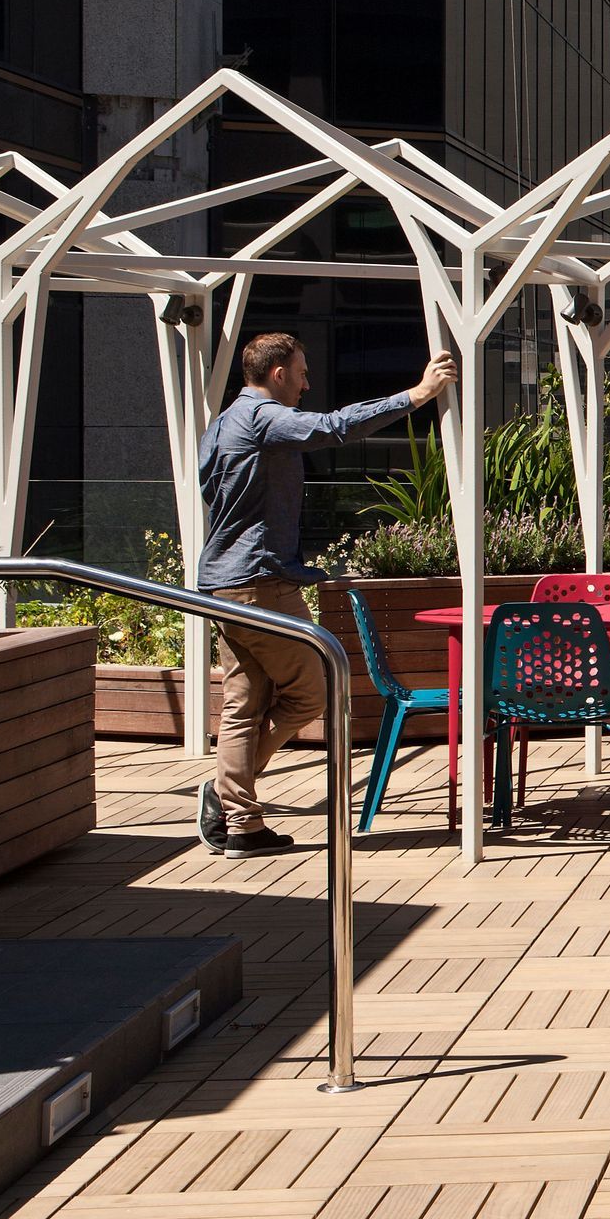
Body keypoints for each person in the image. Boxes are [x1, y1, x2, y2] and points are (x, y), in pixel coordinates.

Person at [197, 333, 456, 857]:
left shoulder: (220, 424)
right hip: (261, 585)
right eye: (301, 372)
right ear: (276, 374)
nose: (307, 382)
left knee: (242, 705)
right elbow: (333, 427)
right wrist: (417, 395)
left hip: (222, 583)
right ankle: (229, 797)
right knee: (313, 693)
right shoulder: (262, 418)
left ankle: (240, 821)